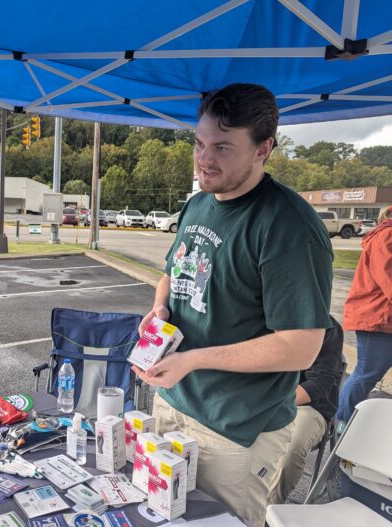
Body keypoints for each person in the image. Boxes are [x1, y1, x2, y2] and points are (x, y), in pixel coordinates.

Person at [132, 83, 333, 527]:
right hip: (172, 402)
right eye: (200, 143)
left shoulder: (289, 226)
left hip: (237, 429)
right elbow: (173, 269)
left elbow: (301, 347)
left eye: (222, 147)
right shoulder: (198, 204)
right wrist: (160, 308)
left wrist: (193, 359)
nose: (205, 159)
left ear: (264, 149)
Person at [269, 317, 344, 505]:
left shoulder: (327, 327)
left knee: (291, 448)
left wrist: (268, 403)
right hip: (262, 400)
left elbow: (318, 385)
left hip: (307, 407)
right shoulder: (255, 315)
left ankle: (266, 512)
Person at [336, 205, 392, 424]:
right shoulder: (386, 237)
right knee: (366, 374)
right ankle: (341, 426)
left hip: (383, 321)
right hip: (378, 322)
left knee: (366, 374)